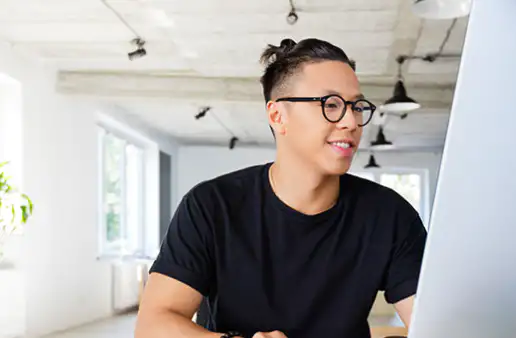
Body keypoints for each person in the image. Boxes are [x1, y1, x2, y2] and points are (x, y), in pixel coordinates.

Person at [135, 38, 427, 338]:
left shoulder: (390, 215)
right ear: (278, 116)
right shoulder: (211, 205)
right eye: (331, 105)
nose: (351, 121)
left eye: (356, 106)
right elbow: (153, 326)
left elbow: (431, 320)